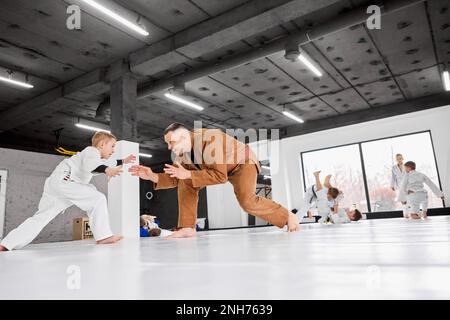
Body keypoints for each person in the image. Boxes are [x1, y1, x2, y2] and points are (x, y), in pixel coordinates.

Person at [129, 123, 299, 239]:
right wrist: (152, 176)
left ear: (183, 137)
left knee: (247, 202)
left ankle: (287, 216)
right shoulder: (181, 155)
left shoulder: (210, 139)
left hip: (242, 163)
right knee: (187, 181)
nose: (169, 147)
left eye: (171, 142)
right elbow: (177, 178)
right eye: (167, 144)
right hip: (220, 169)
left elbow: (220, 176)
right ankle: (187, 227)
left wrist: (187, 175)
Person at [0, 131, 135, 251]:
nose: (113, 150)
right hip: (66, 181)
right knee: (98, 198)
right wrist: (107, 170)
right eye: (112, 146)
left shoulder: (92, 156)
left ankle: (7, 244)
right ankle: (103, 236)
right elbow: (92, 166)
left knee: (40, 218)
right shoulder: (91, 152)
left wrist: (123, 161)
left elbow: (105, 163)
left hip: (57, 185)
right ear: (101, 145)